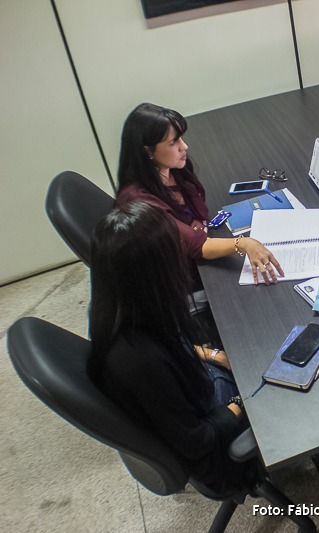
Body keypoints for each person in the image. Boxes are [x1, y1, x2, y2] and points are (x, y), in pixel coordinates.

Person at [88, 202, 252, 489]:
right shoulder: (140, 360)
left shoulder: (121, 305)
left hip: (199, 383)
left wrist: (213, 355)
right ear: (152, 272)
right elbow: (197, 441)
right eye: (173, 251)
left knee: (253, 348)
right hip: (218, 450)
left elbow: (176, 346)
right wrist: (244, 400)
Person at [116, 103, 283, 286]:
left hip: (200, 245)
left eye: (181, 138)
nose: (184, 146)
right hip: (177, 276)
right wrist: (244, 244)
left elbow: (199, 209)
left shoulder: (171, 168)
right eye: (174, 143)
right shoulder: (141, 204)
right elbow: (197, 247)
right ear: (148, 152)